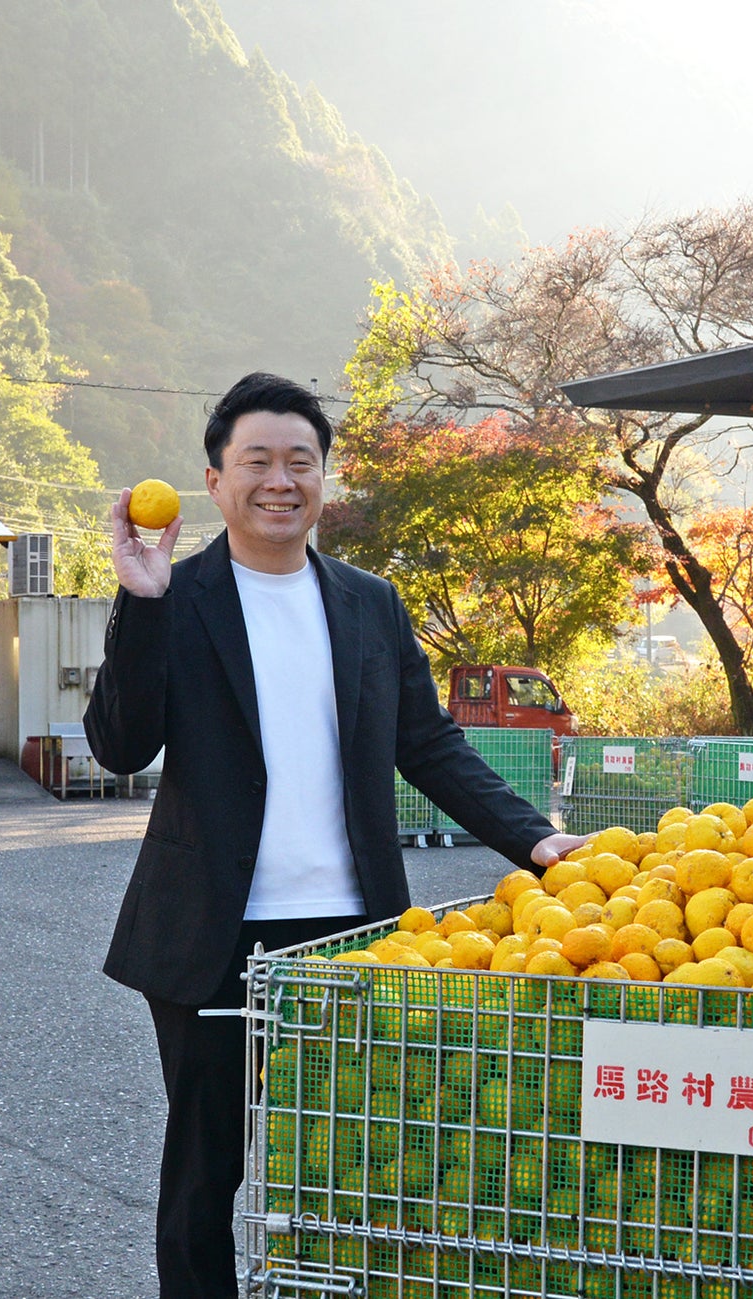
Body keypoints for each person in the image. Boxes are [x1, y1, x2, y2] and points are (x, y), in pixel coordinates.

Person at [84, 372, 588, 1299]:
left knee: (359, 1159)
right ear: (215, 480)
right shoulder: (178, 594)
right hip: (210, 936)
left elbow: (428, 743)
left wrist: (535, 838)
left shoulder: (368, 603)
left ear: (324, 479)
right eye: (258, 461)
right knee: (205, 1173)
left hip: (357, 934)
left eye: (300, 462)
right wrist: (141, 604)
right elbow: (119, 745)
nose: (281, 481)